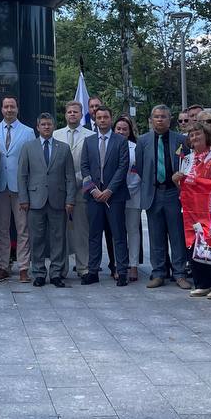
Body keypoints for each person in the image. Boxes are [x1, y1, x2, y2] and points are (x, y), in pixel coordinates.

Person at [134, 105, 190, 290]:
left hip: (174, 192)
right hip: (154, 192)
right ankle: (158, 273)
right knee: (156, 235)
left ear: (170, 119)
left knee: (177, 235)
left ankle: (180, 273)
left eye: (163, 116)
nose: (160, 120)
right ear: (151, 119)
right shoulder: (142, 141)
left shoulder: (181, 140)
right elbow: (141, 168)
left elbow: (187, 165)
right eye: (156, 116)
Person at [19, 113, 75, 287]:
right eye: (42, 124)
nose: (46, 127)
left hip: (58, 199)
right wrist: (23, 198)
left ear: (53, 126)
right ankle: (39, 273)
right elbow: (22, 175)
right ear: (37, 127)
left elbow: (70, 177)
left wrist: (70, 199)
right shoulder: (28, 147)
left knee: (58, 238)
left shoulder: (63, 148)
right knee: (37, 238)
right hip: (35, 201)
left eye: (49, 124)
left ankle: (56, 273)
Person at [78, 105, 130, 286]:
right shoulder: (89, 141)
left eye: (105, 117)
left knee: (118, 234)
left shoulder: (120, 141)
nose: (102, 120)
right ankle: (93, 271)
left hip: (114, 196)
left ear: (110, 118)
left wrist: (109, 191)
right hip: (93, 196)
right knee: (94, 234)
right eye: (99, 118)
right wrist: (93, 190)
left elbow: (123, 168)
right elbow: (84, 167)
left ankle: (122, 271)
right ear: (95, 119)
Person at [180, 118, 211, 298]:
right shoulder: (187, 159)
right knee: (193, 245)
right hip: (190, 209)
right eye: (191, 134)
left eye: (198, 133)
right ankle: (201, 283)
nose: (195, 137)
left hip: (210, 208)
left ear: (206, 136)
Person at [0, 97, 35, 282]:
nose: (9, 110)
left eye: (12, 106)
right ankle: (3, 266)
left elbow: (33, 161)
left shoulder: (28, 132)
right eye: (6, 107)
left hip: (21, 188)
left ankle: (24, 266)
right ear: (1, 109)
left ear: (17, 109)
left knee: (23, 228)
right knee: (1, 228)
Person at [53, 100, 96, 278]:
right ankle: (60, 268)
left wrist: (77, 180)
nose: (72, 115)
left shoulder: (90, 135)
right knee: (60, 231)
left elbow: (92, 164)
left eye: (76, 112)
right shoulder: (55, 134)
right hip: (58, 189)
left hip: (81, 189)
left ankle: (83, 267)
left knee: (81, 230)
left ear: (81, 114)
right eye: (69, 112)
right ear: (65, 114)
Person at [113, 115, 141, 282]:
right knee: (117, 233)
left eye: (125, 129)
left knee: (133, 231)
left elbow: (137, 174)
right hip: (113, 196)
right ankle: (119, 264)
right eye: (118, 129)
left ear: (130, 131)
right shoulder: (109, 146)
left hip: (132, 195)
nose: (121, 131)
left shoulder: (135, 148)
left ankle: (133, 265)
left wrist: (125, 189)